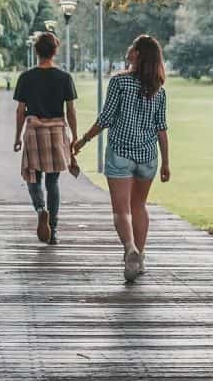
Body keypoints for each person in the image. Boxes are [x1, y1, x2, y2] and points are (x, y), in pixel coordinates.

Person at [73, 35, 171, 282]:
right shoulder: (159, 89)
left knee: (121, 210)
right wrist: (166, 162)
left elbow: (105, 119)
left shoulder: (119, 82)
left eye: (133, 47)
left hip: (120, 153)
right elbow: (161, 128)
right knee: (139, 206)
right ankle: (140, 258)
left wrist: (83, 140)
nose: (129, 49)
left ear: (137, 54)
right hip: (148, 156)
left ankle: (129, 249)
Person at [12, 33, 79, 246]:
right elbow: (71, 111)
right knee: (53, 181)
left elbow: (20, 111)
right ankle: (53, 229)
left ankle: (41, 209)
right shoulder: (64, 77)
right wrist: (74, 136)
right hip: (56, 132)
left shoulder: (26, 77)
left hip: (34, 132)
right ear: (55, 51)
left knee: (32, 177)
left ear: (36, 51)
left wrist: (17, 137)